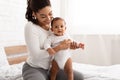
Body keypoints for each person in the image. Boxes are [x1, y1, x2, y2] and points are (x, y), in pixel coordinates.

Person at [22, 0, 84, 80]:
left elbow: (59, 42)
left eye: (50, 14)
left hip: (52, 68)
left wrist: (70, 46)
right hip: (35, 68)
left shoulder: (53, 26)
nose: (48, 19)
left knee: (79, 77)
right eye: (43, 16)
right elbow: (36, 56)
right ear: (34, 14)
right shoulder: (30, 27)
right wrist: (60, 47)